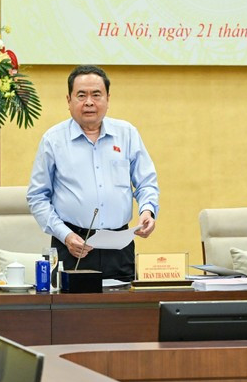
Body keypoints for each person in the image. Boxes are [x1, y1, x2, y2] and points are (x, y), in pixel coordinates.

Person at [27, 65, 159, 281]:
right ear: (68, 100)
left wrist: (147, 211)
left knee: (121, 311)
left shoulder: (127, 134)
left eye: (96, 95)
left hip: (119, 246)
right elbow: (37, 196)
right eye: (81, 95)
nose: (89, 102)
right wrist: (66, 235)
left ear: (107, 99)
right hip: (72, 247)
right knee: (71, 314)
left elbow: (146, 183)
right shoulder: (53, 140)